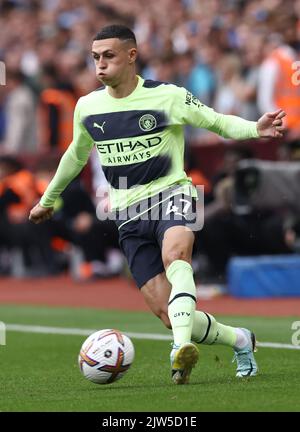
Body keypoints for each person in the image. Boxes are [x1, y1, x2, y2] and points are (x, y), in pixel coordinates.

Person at [29, 24, 286, 385]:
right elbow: (76, 153)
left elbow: (216, 122)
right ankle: (240, 339)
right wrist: (48, 200)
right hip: (127, 214)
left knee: (176, 257)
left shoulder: (168, 96)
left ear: (131, 56)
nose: (99, 65)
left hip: (174, 195)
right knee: (169, 312)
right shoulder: (88, 106)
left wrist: (254, 129)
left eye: (108, 56)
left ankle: (179, 351)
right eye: (95, 58)